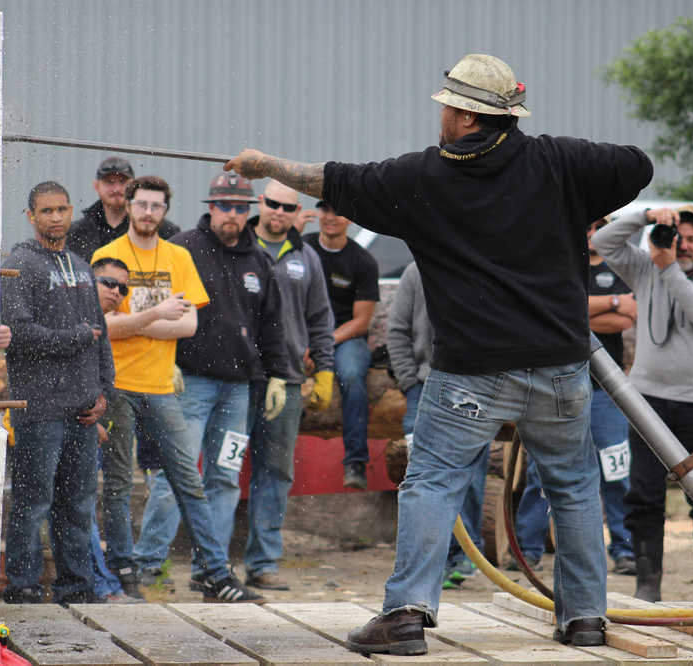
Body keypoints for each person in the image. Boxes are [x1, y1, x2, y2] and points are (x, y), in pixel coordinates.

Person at [225, 52, 653, 654]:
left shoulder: (422, 179)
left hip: (468, 376)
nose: (442, 114)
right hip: (559, 367)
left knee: (432, 482)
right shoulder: (558, 160)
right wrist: (575, 195)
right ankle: (584, 618)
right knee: (574, 486)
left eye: (448, 106)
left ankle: (405, 614)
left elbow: (336, 179)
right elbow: (637, 164)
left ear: (462, 113)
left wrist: (264, 165)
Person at [92, 175, 263, 603]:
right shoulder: (108, 256)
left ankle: (215, 573)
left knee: (189, 478)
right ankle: (123, 574)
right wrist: (157, 317)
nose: (149, 213)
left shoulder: (178, 256)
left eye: (157, 207)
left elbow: (189, 324)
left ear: (166, 211)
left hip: (161, 387)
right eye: (142, 205)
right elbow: (102, 326)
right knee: (115, 483)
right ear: (128, 206)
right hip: (115, 385)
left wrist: (138, 320)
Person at [131, 172, 293, 591]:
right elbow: (156, 313)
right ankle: (146, 566)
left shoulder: (259, 261)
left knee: (224, 476)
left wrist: (277, 377)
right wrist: (166, 362)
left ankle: (211, 571)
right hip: (190, 384)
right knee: (175, 474)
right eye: (226, 206)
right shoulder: (182, 249)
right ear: (211, 206)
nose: (234, 215)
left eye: (241, 208)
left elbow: (272, 325)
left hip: (238, 389)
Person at [592, 204, 693, 602]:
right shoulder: (645, 268)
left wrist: (669, 268)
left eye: (692, 239)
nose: (684, 245)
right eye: (678, 237)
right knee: (644, 496)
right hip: (649, 401)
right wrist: (646, 217)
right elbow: (602, 240)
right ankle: (648, 586)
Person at [0, 180, 115, 606]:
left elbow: (101, 337)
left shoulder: (83, 268)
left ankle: (76, 588)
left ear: (71, 213)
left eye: (62, 209)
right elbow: (21, 335)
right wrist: (76, 338)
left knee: (78, 504)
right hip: (38, 407)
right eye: (46, 211)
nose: (55, 217)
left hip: (84, 409)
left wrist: (105, 393)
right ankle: (24, 587)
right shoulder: (19, 265)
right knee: (32, 501)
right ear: (31, 216)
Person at [511, 217, 639, 575]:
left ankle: (625, 548)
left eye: (599, 225)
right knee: (540, 471)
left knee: (616, 469)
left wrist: (581, 312)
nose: (591, 232)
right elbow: (557, 314)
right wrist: (611, 303)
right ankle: (528, 549)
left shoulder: (619, 268)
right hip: (558, 386)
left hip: (607, 392)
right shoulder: (561, 266)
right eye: (586, 225)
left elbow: (626, 319)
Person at [244, 180, 336, 590]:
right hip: (235, 378)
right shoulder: (235, 248)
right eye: (273, 204)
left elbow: (320, 319)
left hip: (290, 379)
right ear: (260, 203)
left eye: (288, 207)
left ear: (298, 213)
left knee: (275, 471)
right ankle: (207, 566)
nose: (280, 212)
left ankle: (263, 564)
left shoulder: (307, 257)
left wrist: (326, 370)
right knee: (221, 471)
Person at [387, 261, 487, 589]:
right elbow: (397, 330)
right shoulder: (415, 273)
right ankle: (427, 561)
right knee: (423, 478)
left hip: (473, 389)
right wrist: (409, 382)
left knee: (471, 475)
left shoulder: (481, 267)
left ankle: (465, 557)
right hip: (424, 388)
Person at [303, 202, 380, 490]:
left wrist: (322, 343)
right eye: (324, 210)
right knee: (283, 370)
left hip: (346, 338)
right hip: (304, 336)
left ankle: (355, 462)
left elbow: (361, 322)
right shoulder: (303, 247)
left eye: (338, 212)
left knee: (350, 376)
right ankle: (276, 453)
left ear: (350, 218)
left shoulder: (362, 261)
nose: (330, 217)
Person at [66, 156, 180, 263]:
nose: (116, 189)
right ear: (96, 186)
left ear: (133, 185)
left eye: (122, 181)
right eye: (109, 182)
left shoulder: (163, 230)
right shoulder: (76, 232)